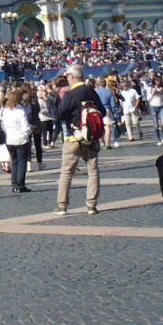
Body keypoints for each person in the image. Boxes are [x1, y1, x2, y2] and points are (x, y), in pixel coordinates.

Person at [55, 64, 103, 217]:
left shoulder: (71, 94)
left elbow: (59, 114)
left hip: (73, 137)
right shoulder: (91, 91)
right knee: (93, 171)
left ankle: (62, 206)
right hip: (91, 137)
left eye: (67, 75)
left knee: (66, 172)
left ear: (71, 76)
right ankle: (91, 205)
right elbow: (101, 111)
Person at [0, 88, 32, 194]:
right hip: (20, 139)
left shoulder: (3, 109)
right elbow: (26, 127)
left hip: (9, 139)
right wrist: (28, 133)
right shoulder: (20, 110)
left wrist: (6, 129)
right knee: (21, 162)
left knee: (14, 161)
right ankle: (21, 185)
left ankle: (14, 184)